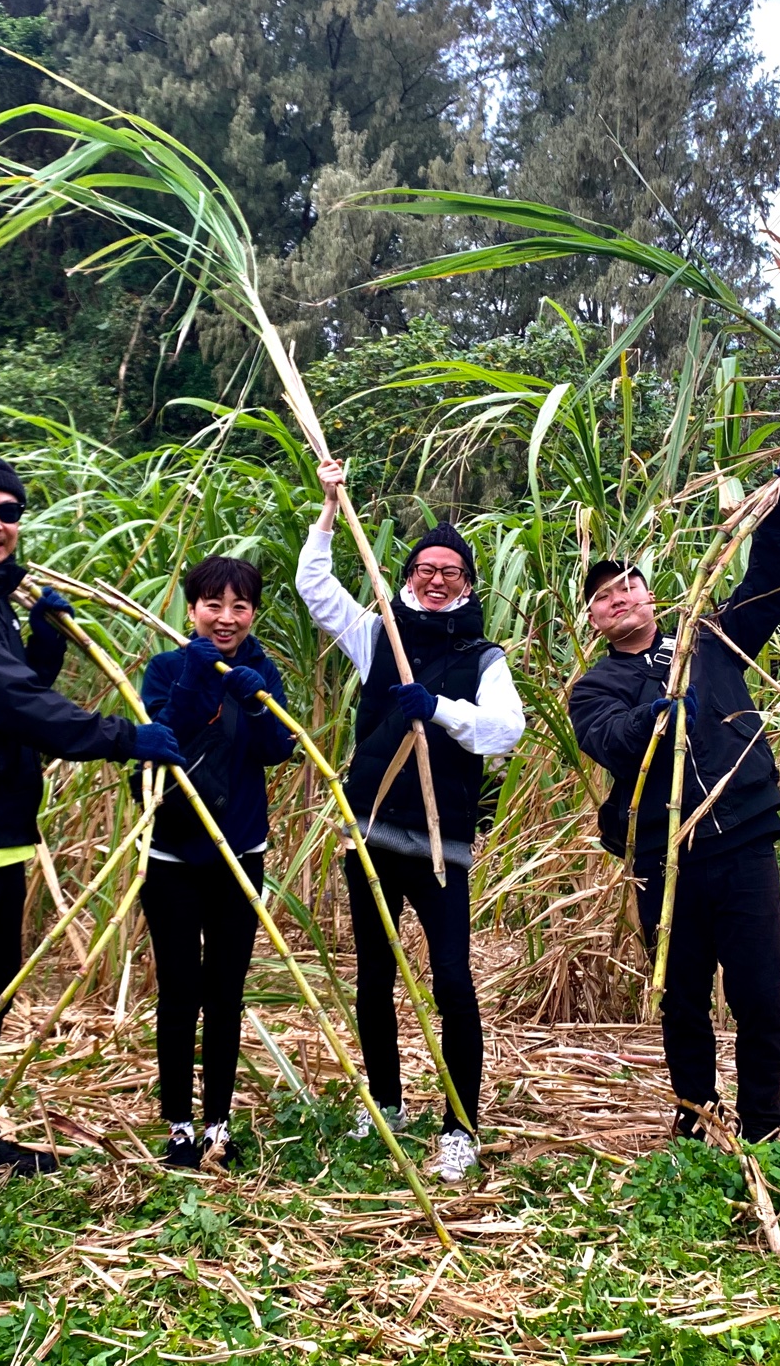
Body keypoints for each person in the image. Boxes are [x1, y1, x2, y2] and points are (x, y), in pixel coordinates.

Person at [0, 436, 185, 1260]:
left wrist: (43, 638)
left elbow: (12, 686)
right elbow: (12, 703)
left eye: (8, 513)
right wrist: (124, 737)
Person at [566, 453, 780, 1145]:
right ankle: (695, 1116)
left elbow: (770, 585)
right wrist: (661, 712)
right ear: (594, 620)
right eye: (604, 598)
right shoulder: (593, 686)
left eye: (628, 588)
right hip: (663, 856)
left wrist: (778, 515)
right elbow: (609, 739)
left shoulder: (711, 641)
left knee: (761, 993)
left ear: (651, 597)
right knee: (682, 999)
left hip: (741, 837)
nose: (619, 599)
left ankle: (765, 1124)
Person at [298, 460, 525, 1184]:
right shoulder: (377, 636)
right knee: (374, 977)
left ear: (467, 581)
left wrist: (441, 710)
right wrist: (331, 508)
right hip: (370, 840)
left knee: (453, 983)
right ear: (409, 572)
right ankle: (387, 1102)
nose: (435, 578)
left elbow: (504, 732)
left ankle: (461, 1125)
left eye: (450, 570)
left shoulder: (480, 657)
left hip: (440, 847)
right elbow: (315, 589)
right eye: (425, 567)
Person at [137, 556, 296, 1171]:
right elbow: (160, 740)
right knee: (179, 990)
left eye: (240, 606)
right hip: (174, 854)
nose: (226, 618)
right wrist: (194, 683)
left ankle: (218, 1125)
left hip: (241, 852)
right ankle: (177, 1124)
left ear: (253, 612)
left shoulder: (261, 667)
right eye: (213, 605)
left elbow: (280, 749)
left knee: (225, 992)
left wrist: (253, 701)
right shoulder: (168, 666)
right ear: (191, 607)